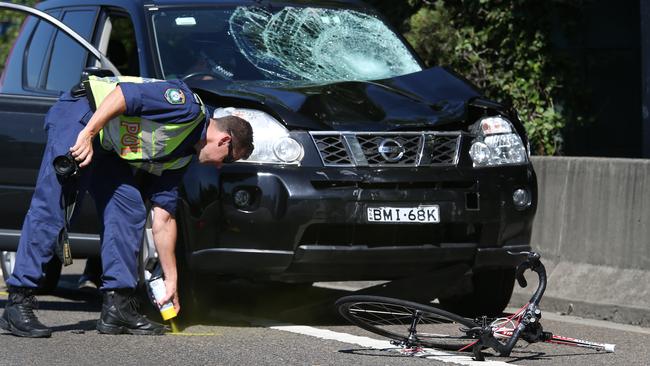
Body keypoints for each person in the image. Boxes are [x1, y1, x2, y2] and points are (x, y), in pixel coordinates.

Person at [0, 75, 254, 338]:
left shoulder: (182, 156)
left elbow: (164, 219)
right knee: (55, 203)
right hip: (84, 114)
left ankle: (118, 307)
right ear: (224, 140)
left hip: (107, 143)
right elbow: (124, 95)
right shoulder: (184, 106)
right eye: (229, 159)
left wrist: (171, 280)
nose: (221, 166)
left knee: (129, 207)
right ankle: (18, 302)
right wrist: (87, 134)